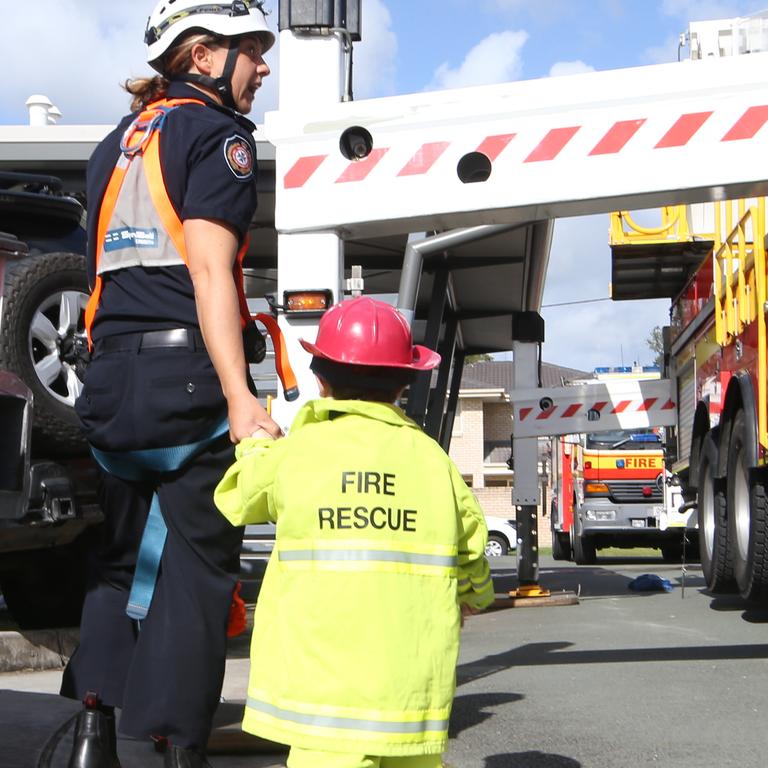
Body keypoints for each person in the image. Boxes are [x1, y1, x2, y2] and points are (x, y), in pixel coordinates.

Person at [59, 2, 280, 766]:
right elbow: (211, 272)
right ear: (199, 57)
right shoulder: (219, 138)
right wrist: (241, 396)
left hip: (111, 381)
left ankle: (93, 727)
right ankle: (163, 747)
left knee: (122, 560)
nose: (263, 66)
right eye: (251, 50)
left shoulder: (113, 145)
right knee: (194, 568)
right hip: (184, 379)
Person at [214, 296, 496, 768]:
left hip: (323, 700)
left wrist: (257, 446)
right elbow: (470, 548)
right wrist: (475, 594)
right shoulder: (434, 462)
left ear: (321, 381)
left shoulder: (299, 453)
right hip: (408, 698)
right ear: (405, 384)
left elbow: (237, 499)